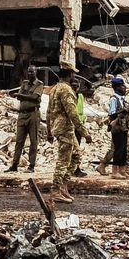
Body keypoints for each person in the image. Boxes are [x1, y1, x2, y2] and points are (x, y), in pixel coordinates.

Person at [45, 66, 80, 203]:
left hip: (61, 128)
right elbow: (73, 113)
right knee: (63, 161)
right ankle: (55, 190)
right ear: (69, 74)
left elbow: (48, 112)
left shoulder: (54, 89)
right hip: (65, 129)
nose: (74, 77)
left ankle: (63, 186)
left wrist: (49, 131)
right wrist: (84, 132)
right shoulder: (65, 90)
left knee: (76, 156)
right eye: (73, 74)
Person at [8, 66, 43, 172]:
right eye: (29, 72)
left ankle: (31, 165)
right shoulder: (24, 83)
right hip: (22, 115)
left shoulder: (39, 84)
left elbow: (35, 98)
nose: (30, 74)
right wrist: (23, 95)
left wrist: (22, 95)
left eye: (32, 72)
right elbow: (20, 97)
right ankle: (14, 164)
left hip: (33, 114)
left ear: (36, 72)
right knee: (19, 140)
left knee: (33, 140)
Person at [105, 76, 129, 179]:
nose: (124, 88)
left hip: (123, 127)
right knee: (118, 150)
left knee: (123, 150)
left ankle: (122, 170)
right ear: (117, 88)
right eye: (122, 86)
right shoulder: (114, 99)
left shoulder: (122, 99)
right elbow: (112, 114)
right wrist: (121, 113)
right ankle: (115, 172)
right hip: (117, 128)